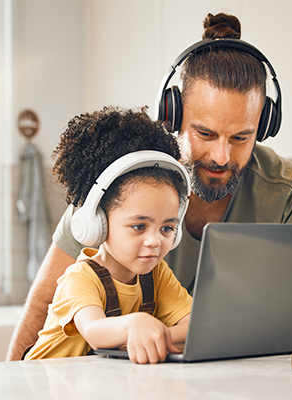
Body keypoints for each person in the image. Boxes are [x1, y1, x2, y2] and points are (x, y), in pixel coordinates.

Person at [7, 12, 292, 361]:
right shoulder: (117, 181)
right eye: (205, 134)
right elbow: (44, 304)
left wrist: (199, 330)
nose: (221, 156)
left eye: (241, 137)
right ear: (173, 115)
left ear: (264, 125)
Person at [23, 107, 193, 364]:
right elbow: (94, 332)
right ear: (98, 223)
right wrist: (136, 325)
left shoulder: (156, 276)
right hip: (42, 385)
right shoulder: (79, 279)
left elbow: (196, 323)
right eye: (139, 226)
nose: (155, 241)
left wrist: (159, 335)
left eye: (167, 228)